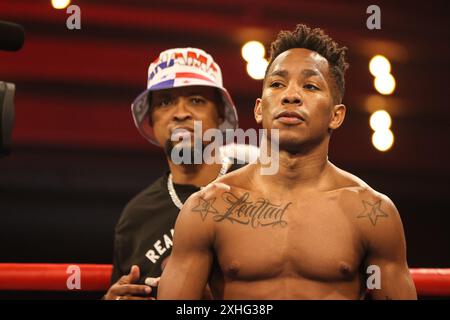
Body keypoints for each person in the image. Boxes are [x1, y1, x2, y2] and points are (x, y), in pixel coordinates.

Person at [158, 25, 417, 300]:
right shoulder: (207, 207)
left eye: (310, 86)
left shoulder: (371, 212)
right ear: (259, 109)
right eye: (277, 84)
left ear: (336, 116)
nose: (290, 95)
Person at [104, 47, 247, 300]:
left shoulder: (259, 190)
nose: (181, 113)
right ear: (152, 119)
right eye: (165, 102)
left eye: (196, 100)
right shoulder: (135, 216)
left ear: (220, 113)